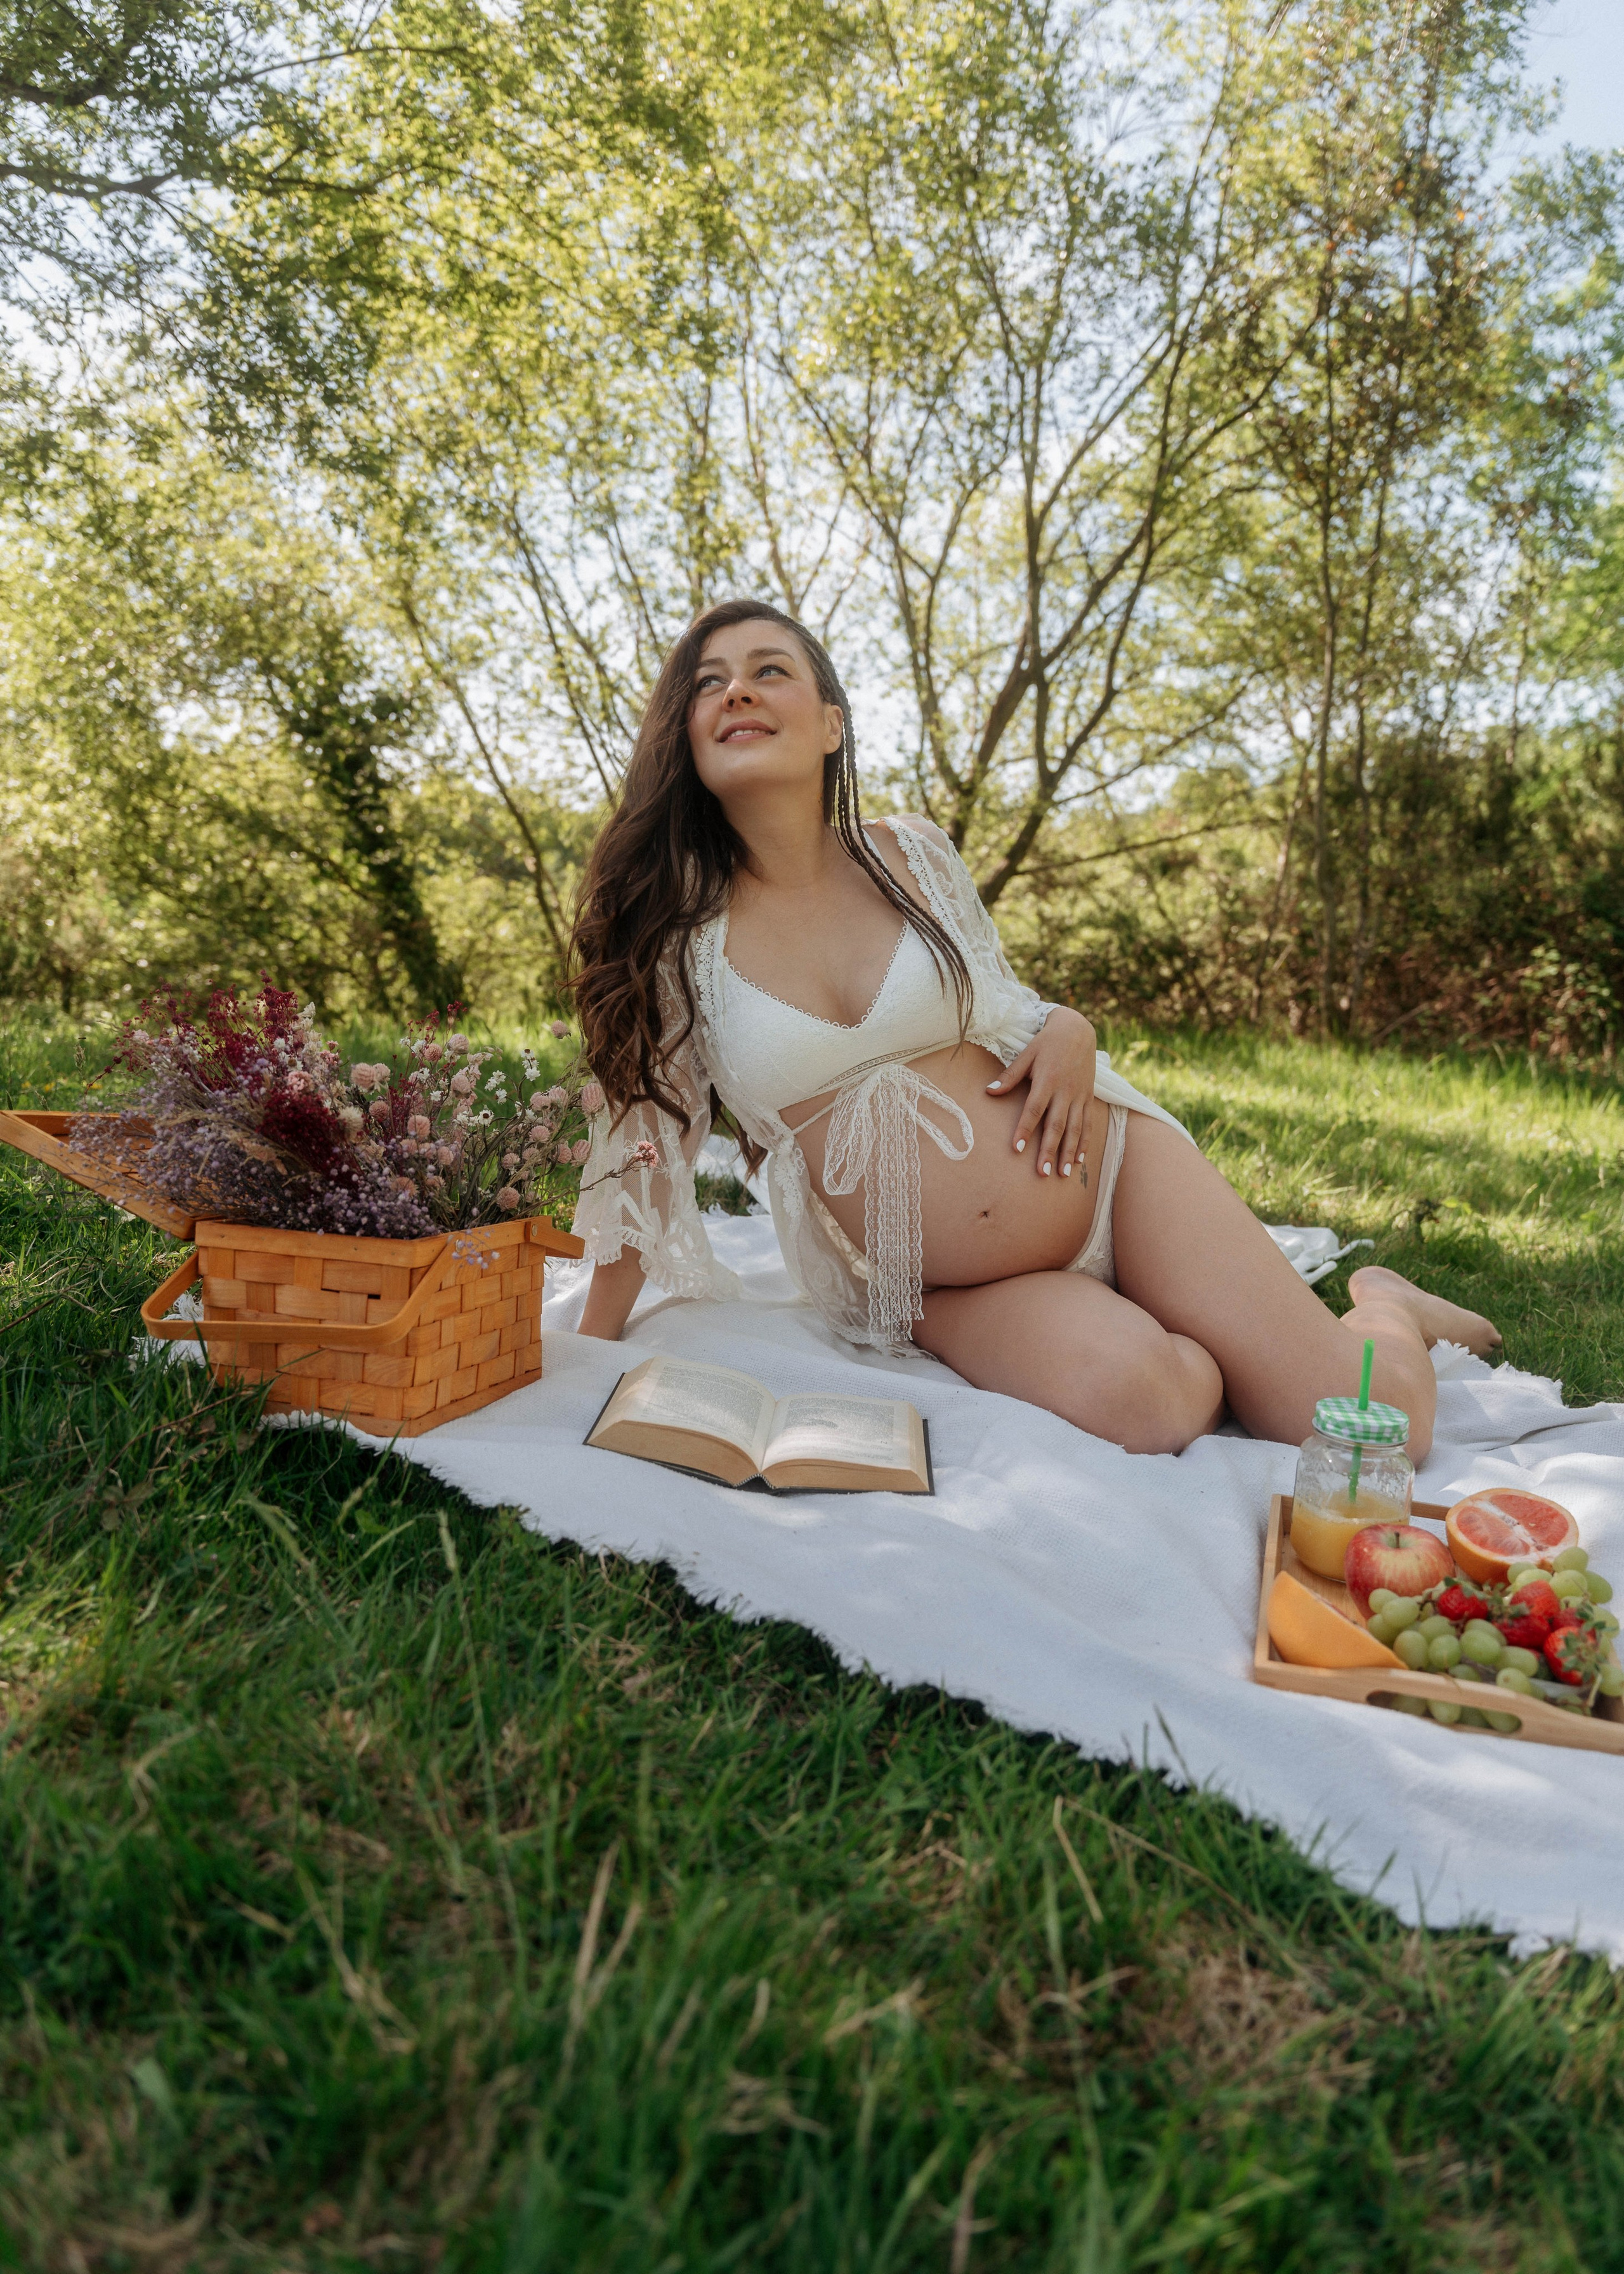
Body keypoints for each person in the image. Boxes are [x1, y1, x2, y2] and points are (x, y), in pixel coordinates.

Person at [568, 598, 1498, 1457]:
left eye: (771, 670)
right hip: (939, 1285)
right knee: (1150, 1402)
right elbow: (644, 1151)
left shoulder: (913, 855)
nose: (736, 688)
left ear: (832, 724)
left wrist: (1071, 1024)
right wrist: (587, 1352)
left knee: (1373, 1435)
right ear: (686, 738)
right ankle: (1199, 1328)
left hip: (1111, 1174)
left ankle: (1386, 1310)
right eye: (707, 682)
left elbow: (1004, 1006)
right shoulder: (676, 938)